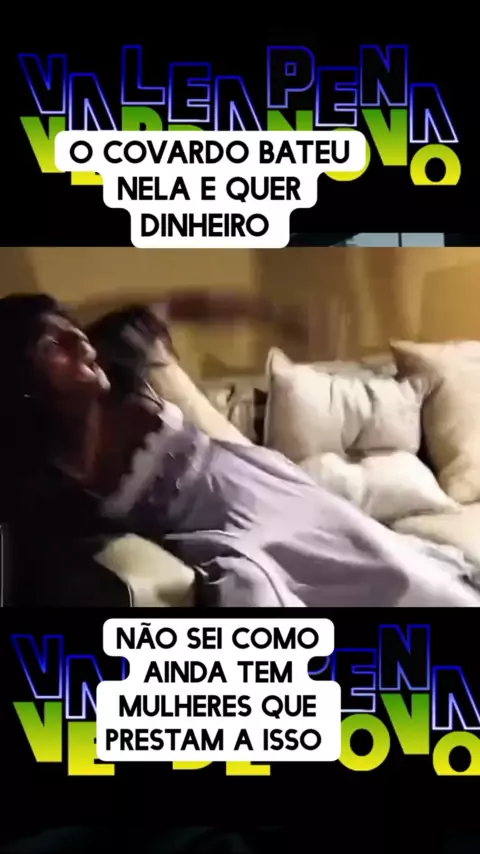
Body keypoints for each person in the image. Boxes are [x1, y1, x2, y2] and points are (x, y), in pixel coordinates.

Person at [0, 292, 478, 608]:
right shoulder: (50, 475)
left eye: (69, 325)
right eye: (51, 345)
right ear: (24, 381)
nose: (77, 338)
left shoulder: (116, 355)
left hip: (261, 481)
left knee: (413, 576)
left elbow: (185, 305)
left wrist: (274, 314)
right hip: (219, 532)